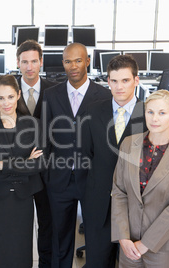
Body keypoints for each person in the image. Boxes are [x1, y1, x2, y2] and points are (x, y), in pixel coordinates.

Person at [42, 42, 111, 268]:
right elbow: (45, 136)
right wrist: (47, 172)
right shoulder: (51, 95)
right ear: (63, 63)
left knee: (96, 238)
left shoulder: (104, 95)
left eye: (78, 60)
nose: (73, 66)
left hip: (92, 180)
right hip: (59, 178)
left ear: (88, 61)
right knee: (59, 238)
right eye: (68, 61)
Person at [111, 89, 169, 267]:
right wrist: (122, 236)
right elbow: (119, 192)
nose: (154, 118)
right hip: (129, 242)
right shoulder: (129, 144)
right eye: (150, 112)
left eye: (162, 113)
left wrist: (145, 244)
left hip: (163, 246)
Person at [82, 54, 147, 267]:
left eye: (125, 80)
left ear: (136, 81)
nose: (119, 87)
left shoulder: (148, 115)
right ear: (108, 81)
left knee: (132, 262)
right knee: (98, 261)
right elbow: (85, 154)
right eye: (114, 81)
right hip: (98, 203)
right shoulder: (92, 111)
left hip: (135, 205)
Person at [0, 74, 44, 268]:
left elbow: (39, 165)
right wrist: (24, 162)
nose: (6, 103)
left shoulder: (34, 125)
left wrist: (2, 164)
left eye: (10, 97)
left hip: (22, 199)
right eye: (0, 98)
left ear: (18, 95)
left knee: (20, 250)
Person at [16, 40, 56, 268]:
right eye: (24, 62)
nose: (29, 66)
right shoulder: (8, 89)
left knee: (47, 224)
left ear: (41, 62)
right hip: (18, 169)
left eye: (34, 61)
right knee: (18, 225)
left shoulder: (55, 89)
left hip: (48, 169)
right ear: (18, 63)